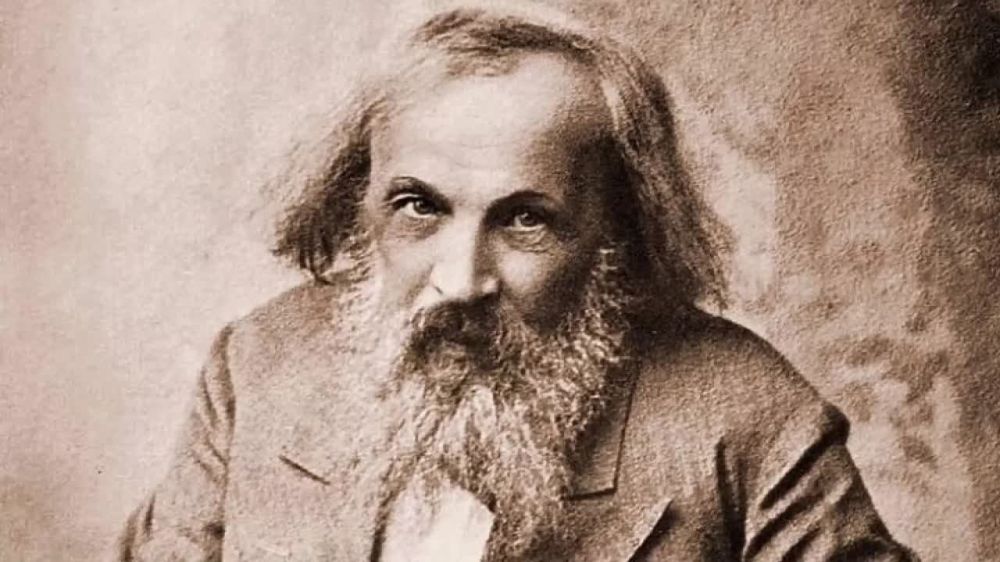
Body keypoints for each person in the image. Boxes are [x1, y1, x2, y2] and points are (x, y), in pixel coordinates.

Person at [119, 6, 917, 561]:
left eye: (526, 220)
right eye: (419, 206)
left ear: (617, 234)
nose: (460, 281)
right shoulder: (258, 363)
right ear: (359, 203)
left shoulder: (751, 417)